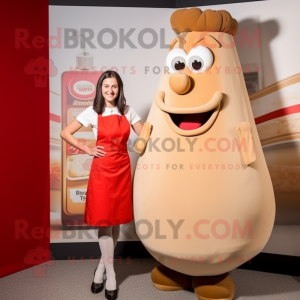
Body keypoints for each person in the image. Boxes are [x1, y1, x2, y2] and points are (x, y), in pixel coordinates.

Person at [60, 70, 151, 300]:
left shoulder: (127, 111)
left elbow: (144, 135)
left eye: (115, 87)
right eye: (106, 87)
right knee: (104, 221)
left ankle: (100, 268)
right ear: (100, 89)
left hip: (122, 169)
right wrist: (88, 149)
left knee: (116, 220)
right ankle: (111, 274)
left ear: (120, 89)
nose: (110, 91)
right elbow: (65, 132)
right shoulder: (93, 112)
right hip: (102, 171)